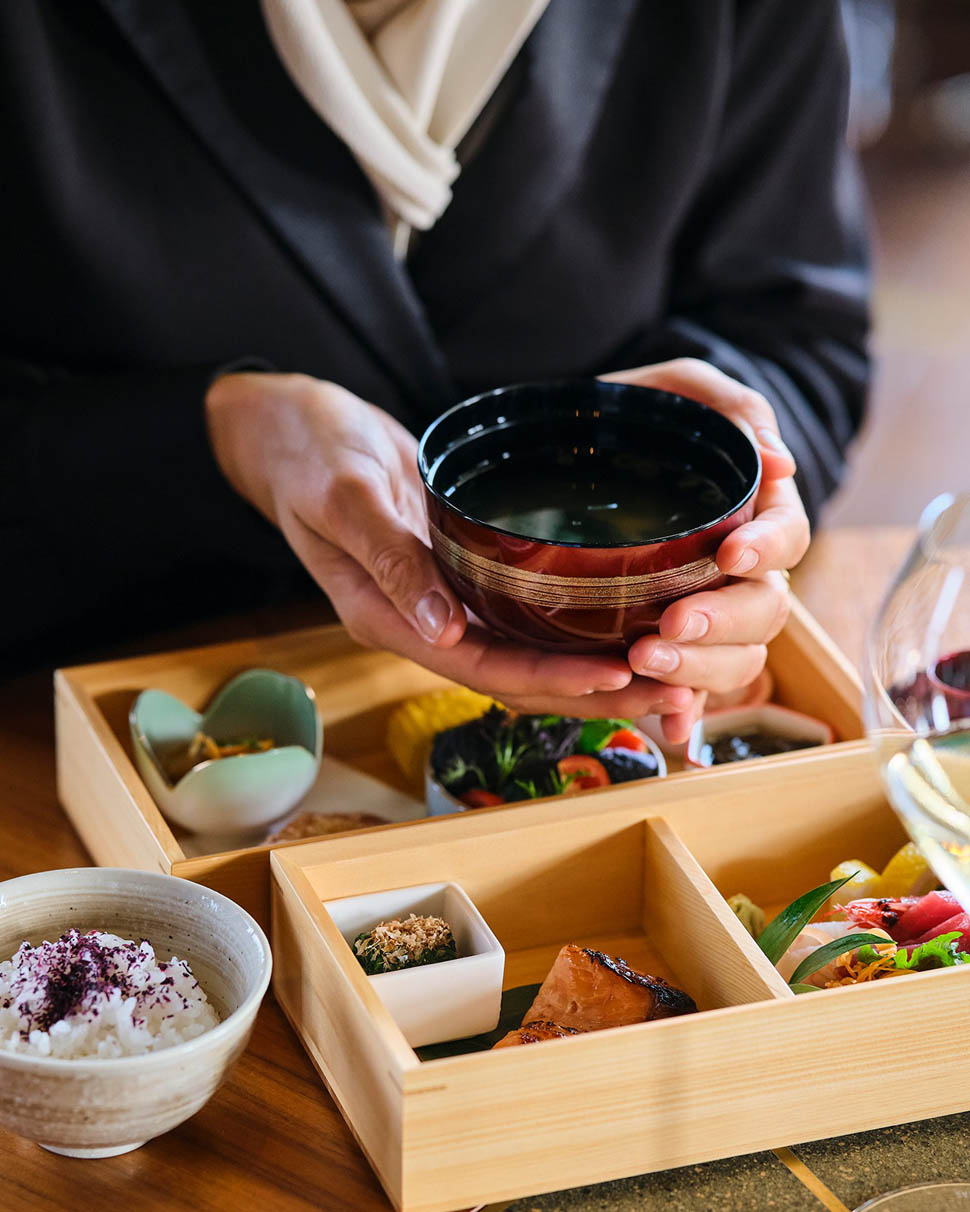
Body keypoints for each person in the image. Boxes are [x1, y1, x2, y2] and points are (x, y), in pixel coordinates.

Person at [1, 0, 868, 743]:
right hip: (75, 710)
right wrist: (217, 436)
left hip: (623, 720)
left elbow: (797, 335)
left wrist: (727, 483)